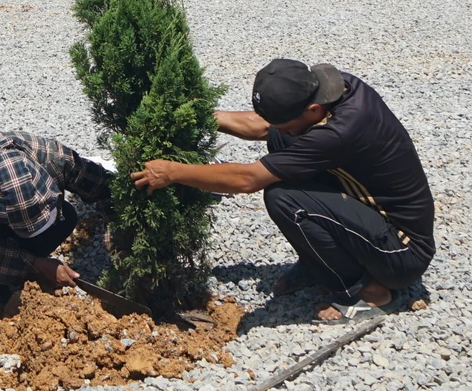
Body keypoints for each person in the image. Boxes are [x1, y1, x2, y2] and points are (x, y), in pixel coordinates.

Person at [129, 59, 434, 321]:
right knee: (283, 141)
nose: (281, 128)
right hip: (371, 216)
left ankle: (366, 290)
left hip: (401, 251)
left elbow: (248, 179)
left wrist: (174, 172)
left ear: (313, 110)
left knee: (285, 199)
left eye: (286, 122)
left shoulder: (339, 132)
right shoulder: (332, 89)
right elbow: (266, 128)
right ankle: (321, 264)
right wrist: (201, 114)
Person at [0, 131, 110, 313]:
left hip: (7, 206)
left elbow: (99, 183)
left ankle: (14, 266)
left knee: (69, 217)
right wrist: (35, 264)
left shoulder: (54, 158)